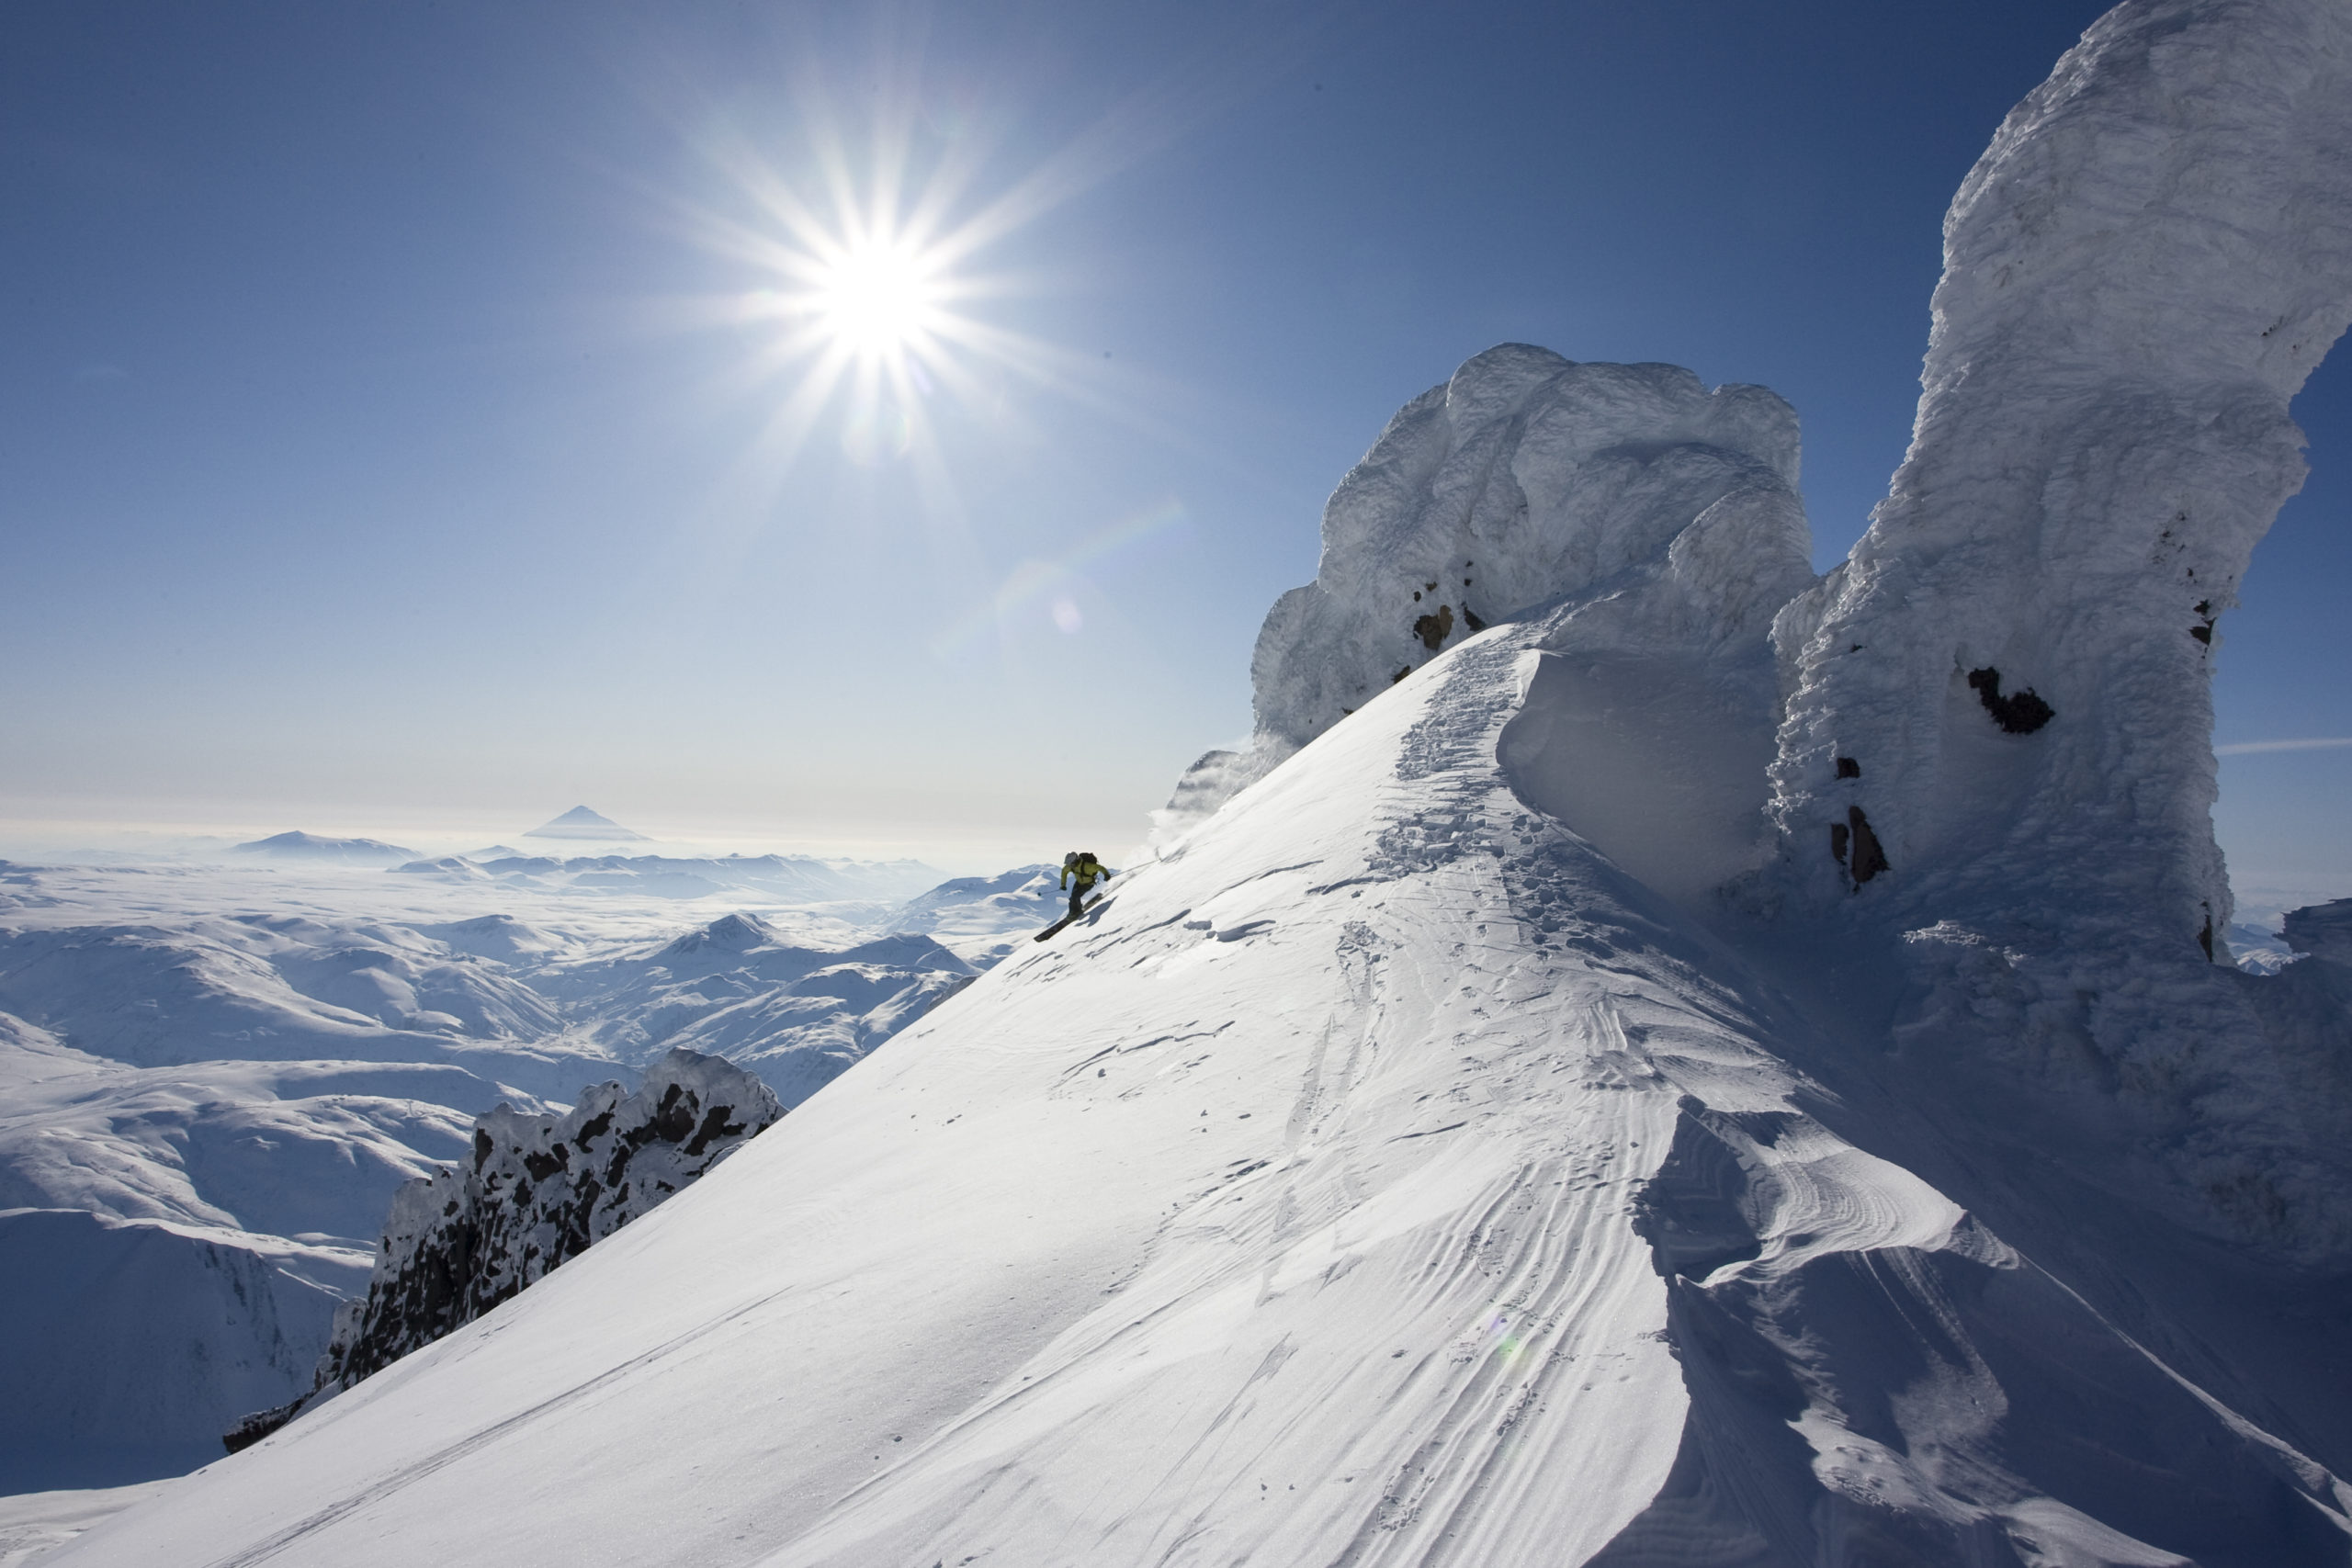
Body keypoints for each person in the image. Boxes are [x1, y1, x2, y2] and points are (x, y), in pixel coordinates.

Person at [1059, 851, 1111, 920]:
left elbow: (1100, 868)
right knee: (1073, 897)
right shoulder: (1071, 866)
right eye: (1069, 864)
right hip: (1079, 882)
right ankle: (1072, 912)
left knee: (1075, 896)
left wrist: (1106, 874)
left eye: (1071, 864)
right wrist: (1063, 885)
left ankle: (1077, 912)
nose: (1070, 866)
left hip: (1089, 883)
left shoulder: (1087, 866)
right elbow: (1064, 872)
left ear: (1075, 861)